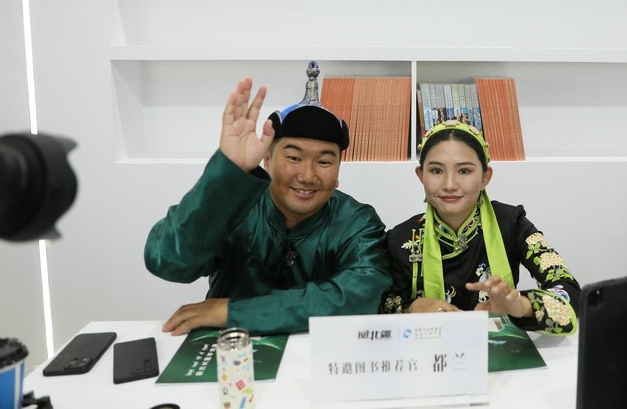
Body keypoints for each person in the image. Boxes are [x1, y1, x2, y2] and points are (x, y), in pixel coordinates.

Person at [144, 77, 391, 335]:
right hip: (232, 348)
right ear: (267, 159)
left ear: (338, 170)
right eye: (294, 157)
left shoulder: (357, 222)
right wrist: (226, 175)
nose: (307, 175)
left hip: (317, 352)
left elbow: (361, 295)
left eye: (324, 162)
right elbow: (167, 262)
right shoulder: (233, 205)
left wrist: (232, 312)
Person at [379, 120, 580, 335]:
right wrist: (413, 308)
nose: (449, 184)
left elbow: (568, 291)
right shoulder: (400, 238)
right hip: (431, 352)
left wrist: (521, 306)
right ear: (421, 176)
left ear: (485, 177)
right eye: (436, 170)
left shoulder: (512, 223)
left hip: (502, 352)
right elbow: (381, 308)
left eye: (464, 171)